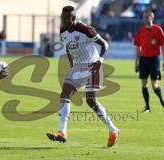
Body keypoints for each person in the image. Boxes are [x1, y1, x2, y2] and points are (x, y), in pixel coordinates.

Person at [46, 6, 119, 148]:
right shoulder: (63, 31)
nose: (63, 21)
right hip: (78, 67)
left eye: (66, 19)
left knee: (91, 101)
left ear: (73, 19)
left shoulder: (85, 29)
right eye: (62, 18)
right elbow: (68, 47)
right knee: (65, 94)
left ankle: (113, 129)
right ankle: (62, 132)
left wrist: (100, 61)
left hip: (93, 65)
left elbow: (104, 44)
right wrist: (72, 65)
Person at [134, 10, 164, 113]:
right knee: (144, 84)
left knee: (154, 85)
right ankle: (147, 107)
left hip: (154, 60)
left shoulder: (158, 29)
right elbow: (138, 47)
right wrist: (136, 62)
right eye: (144, 17)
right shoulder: (140, 31)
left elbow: (163, 45)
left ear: (151, 18)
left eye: (147, 17)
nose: (145, 19)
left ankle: (162, 100)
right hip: (143, 60)